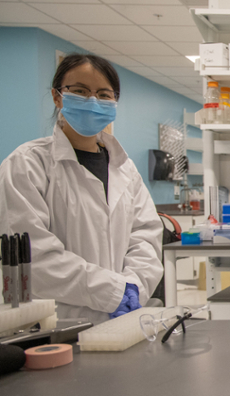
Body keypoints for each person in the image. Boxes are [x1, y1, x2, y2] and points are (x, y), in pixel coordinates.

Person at [0, 54, 163, 325]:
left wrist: (134, 286)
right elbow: (34, 258)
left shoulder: (125, 168)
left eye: (103, 95)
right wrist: (113, 291)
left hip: (122, 323)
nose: (93, 102)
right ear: (57, 96)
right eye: (80, 92)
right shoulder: (27, 164)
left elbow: (146, 236)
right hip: (55, 323)